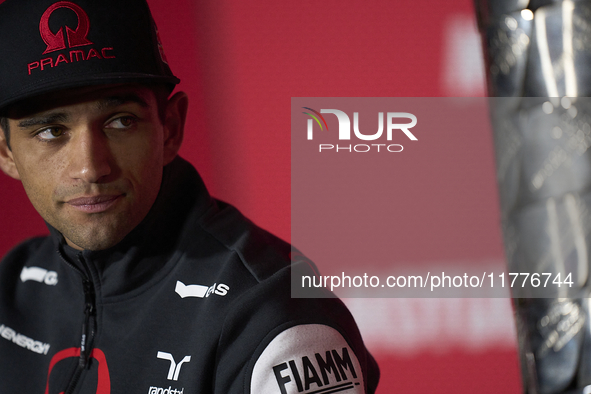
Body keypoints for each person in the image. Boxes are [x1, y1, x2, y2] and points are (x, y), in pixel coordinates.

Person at [0, 0, 380, 393]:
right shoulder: (11, 291)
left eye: (120, 122)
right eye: (51, 131)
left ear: (170, 128)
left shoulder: (272, 314)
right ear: (6, 152)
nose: (91, 168)